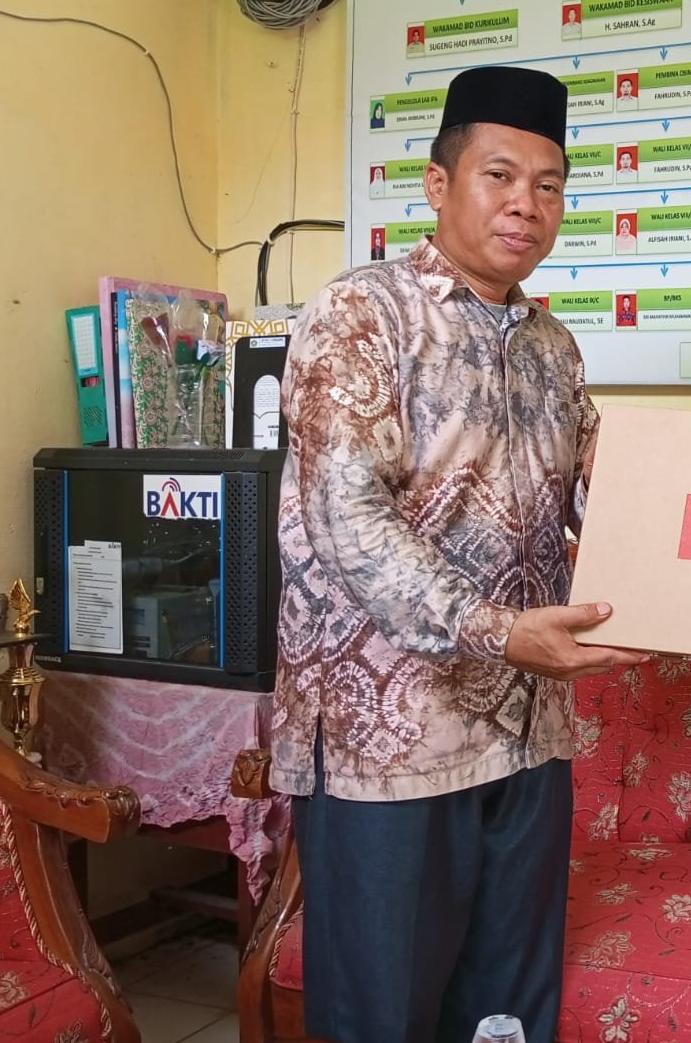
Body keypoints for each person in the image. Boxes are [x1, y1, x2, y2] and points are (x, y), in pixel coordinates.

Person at [272, 65, 645, 1043]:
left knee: (504, 1020)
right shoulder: (361, 317)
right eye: (500, 176)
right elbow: (348, 519)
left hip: (525, 734)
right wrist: (497, 630)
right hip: (391, 746)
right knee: (384, 1018)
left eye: (549, 184)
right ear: (439, 185)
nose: (526, 204)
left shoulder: (552, 347)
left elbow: (603, 493)